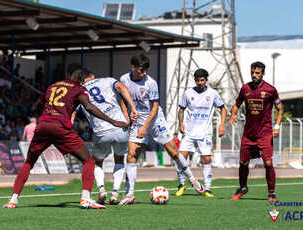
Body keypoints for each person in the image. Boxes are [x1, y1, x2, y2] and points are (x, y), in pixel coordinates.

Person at [3, 68, 129, 209]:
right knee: (88, 161)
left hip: (43, 125)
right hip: (60, 127)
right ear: (82, 79)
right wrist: (114, 121)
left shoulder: (53, 86)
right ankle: (86, 198)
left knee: (29, 162)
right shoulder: (78, 88)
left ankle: (13, 200)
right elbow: (89, 107)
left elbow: (37, 103)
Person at [118, 53, 206, 205]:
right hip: (138, 120)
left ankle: (192, 179)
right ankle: (129, 194)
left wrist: (145, 127)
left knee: (173, 152)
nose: (144, 73)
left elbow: (155, 108)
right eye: (141, 70)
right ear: (133, 68)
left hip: (155, 118)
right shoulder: (124, 80)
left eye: (146, 70)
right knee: (132, 155)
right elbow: (122, 99)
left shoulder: (151, 83)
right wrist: (127, 116)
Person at [72, 68, 138, 205]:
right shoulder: (108, 80)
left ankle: (102, 190)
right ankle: (115, 194)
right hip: (121, 127)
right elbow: (122, 87)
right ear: (92, 76)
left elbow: (72, 112)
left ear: (82, 80)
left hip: (101, 131)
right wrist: (132, 107)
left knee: (97, 162)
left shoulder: (79, 91)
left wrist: (69, 126)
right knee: (119, 159)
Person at [229, 61, 283, 201]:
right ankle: (243, 187)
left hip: (265, 133)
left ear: (263, 74)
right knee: (243, 163)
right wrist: (233, 114)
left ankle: (271, 192)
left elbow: (280, 109)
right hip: (249, 133)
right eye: (252, 72)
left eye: (257, 73)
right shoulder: (245, 88)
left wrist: (276, 127)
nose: (254, 75)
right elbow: (236, 104)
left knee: (268, 163)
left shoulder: (270, 90)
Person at [176, 68, 227, 197]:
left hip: (205, 132)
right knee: (181, 158)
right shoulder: (187, 93)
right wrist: (181, 123)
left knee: (206, 158)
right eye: (197, 80)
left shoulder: (213, 93)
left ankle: (208, 188)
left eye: (202, 80)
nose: (200, 83)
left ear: (206, 80)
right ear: (195, 80)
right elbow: (181, 110)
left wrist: (222, 125)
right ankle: (182, 184)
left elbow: (223, 109)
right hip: (189, 132)